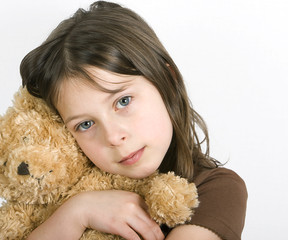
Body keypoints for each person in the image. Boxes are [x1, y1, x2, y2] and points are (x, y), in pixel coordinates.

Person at [20, 1, 247, 239]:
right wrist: (77, 212)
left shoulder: (216, 190)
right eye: (85, 124)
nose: (114, 137)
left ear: (165, 79)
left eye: (123, 101)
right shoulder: (58, 200)